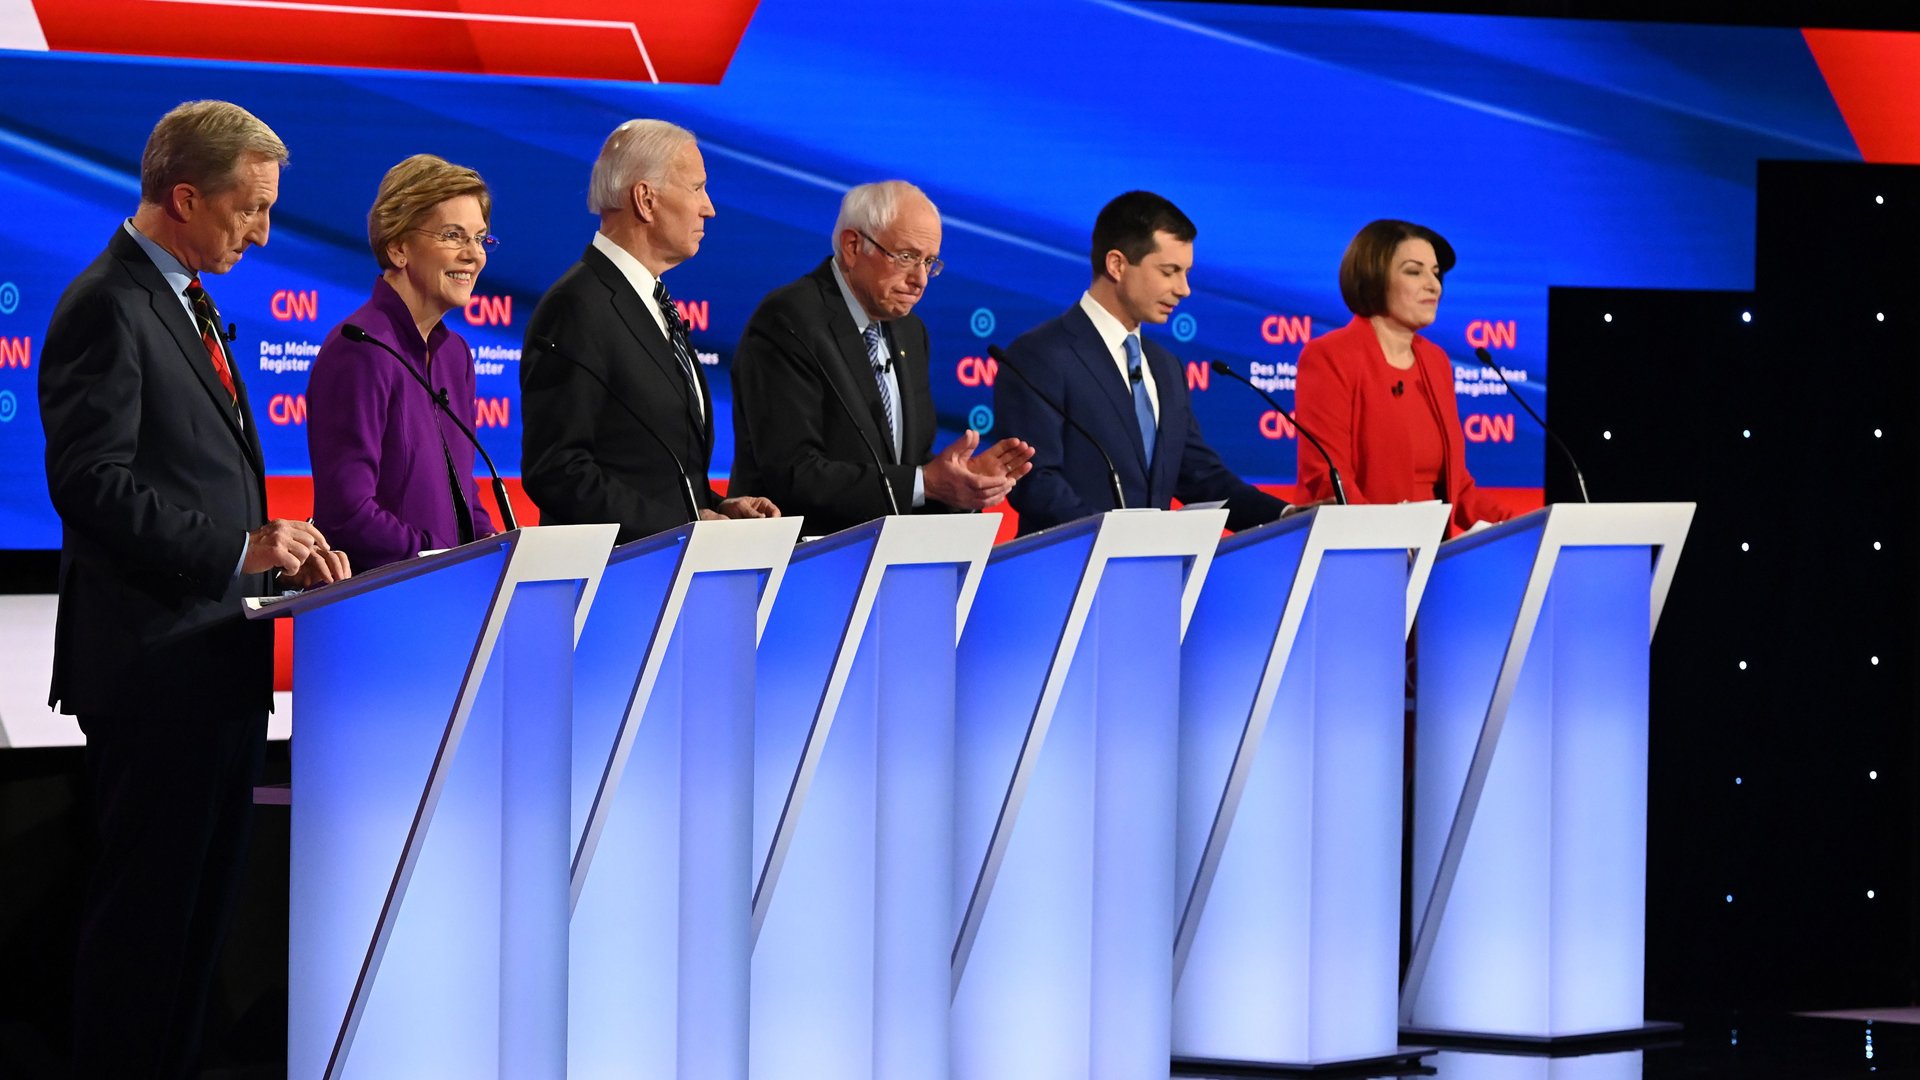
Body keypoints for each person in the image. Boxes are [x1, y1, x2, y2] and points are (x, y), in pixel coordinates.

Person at [38, 99, 350, 1079]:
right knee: (146, 932)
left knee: (196, 932)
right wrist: (237, 547)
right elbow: (90, 484)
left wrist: (275, 546)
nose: (261, 232)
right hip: (155, 670)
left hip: (214, 661)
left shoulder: (188, 297)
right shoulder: (109, 301)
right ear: (184, 196)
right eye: (246, 210)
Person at [521, 118, 776, 542]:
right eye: (697, 188)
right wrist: (684, 526)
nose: (708, 207)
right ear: (646, 199)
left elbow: (649, 467)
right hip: (614, 588)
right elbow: (558, 472)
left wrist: (712, 507)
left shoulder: (648, 299)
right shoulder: (577, 306)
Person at [729, 180, 1033, 534]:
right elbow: (795, 474)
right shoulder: (790, 321)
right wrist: (926, 482)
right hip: (802, 564)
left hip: (888, 561)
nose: (920, 280)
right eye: (906, 257)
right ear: (853, 245)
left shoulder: (909, 331)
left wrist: (958, 485)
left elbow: (908, 466)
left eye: (929, 262)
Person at [997, 190, 1291, 535]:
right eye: (1170, 272)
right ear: (1117, 265)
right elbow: (1036, 481)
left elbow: (1200, 476)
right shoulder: (1040, 355)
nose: (1184, 289)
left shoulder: (1166, 368)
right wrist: (1117, 542)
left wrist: (1287, 515)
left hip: (1154, 577)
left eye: (1186, 273)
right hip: (1068, 575)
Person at [306, 154, 501, 569]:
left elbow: (463, 487)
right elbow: (348, 514)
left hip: (452, 595)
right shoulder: (359, 347)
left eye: (480, 238)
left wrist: (489, 547)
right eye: (454, 235)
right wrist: (443, 557)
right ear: (398, 247)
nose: (474, 255)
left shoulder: (455, 355)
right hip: (388, 602)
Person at [1293, 219, 1511, 536]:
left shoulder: (1435, 361)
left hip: (1435, 556)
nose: (1433, 285)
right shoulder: (1330, 356)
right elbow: (1329, 481)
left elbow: (1457, 488)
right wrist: (1391, 542)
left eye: (1436, 273)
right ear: (1373, 276)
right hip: (1362, 554)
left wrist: (1522, 525)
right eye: (1414, 271)